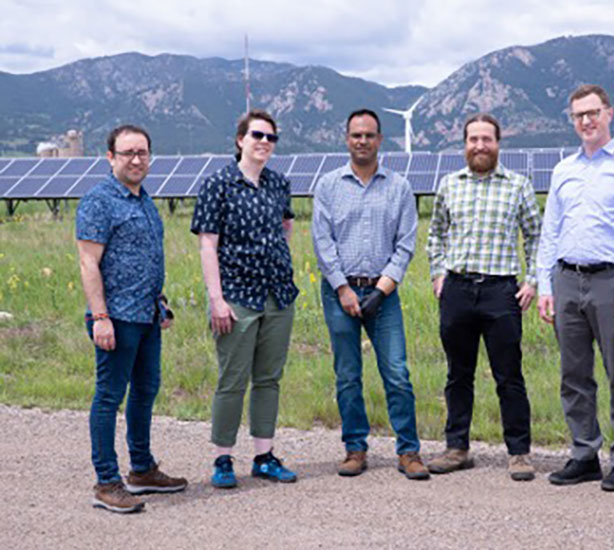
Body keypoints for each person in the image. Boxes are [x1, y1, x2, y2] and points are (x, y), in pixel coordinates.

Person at [537, 84, 614, 491]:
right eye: (578, 115)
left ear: (609, 113)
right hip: (567, 280)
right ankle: (584, 453)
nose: (586, 121)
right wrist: (545, 285)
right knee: (573, 374)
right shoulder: (563, 170)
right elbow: (549, 230)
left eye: (593, 112)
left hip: (613, 281)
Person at [312, 109, 428, 480]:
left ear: (380, 139)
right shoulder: (329, 186)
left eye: (369, 135)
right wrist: (343, 288)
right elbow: (322, 241)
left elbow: (406, 244)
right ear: (346, 139)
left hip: (384, 293)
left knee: (396, 372)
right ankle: (355, 448)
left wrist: (381, 290)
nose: (362, 141)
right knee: (348, 374)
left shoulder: (399, 187)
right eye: (356, 135)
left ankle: (408, 451)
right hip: (338, 293)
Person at [77, 124, 187, 514]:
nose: (137, 159)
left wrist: (160, 302)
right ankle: (107, 482)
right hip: (116, 317)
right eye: (128, 153)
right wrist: (100, 316)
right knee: (109, 397)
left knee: (145, 391)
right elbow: (89, 261)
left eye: (142, 152)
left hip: (146, 315)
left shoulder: (144, 199)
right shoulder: (99, 200)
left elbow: (145, 258)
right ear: (111, 157)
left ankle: (141, 470)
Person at [426, 113, 541, 481]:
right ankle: (457, 447)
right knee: (458, 374)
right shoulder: (448, 184)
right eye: (473, 139)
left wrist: (533, 280)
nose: (479, 145)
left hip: (500, 292)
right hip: (457, 290)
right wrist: (438, 272)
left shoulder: (518, 185)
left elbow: (536, 236)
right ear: (464, 144)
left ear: (497, 144)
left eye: (486, 139)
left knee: (509, 375)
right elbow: (435, 235)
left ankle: (519, 453)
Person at [191, 109, 298, 488]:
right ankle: (223, 459)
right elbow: (208, 245)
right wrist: (216, 299)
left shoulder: (278, 184)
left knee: (269, 379)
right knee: (232, 380)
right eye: (257, 135)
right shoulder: (217, 184)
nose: (265, 142)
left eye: (271, 137)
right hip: (236, 296)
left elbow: (286, 227)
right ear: (240, 139)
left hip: (278, 295)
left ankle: (264, 456)